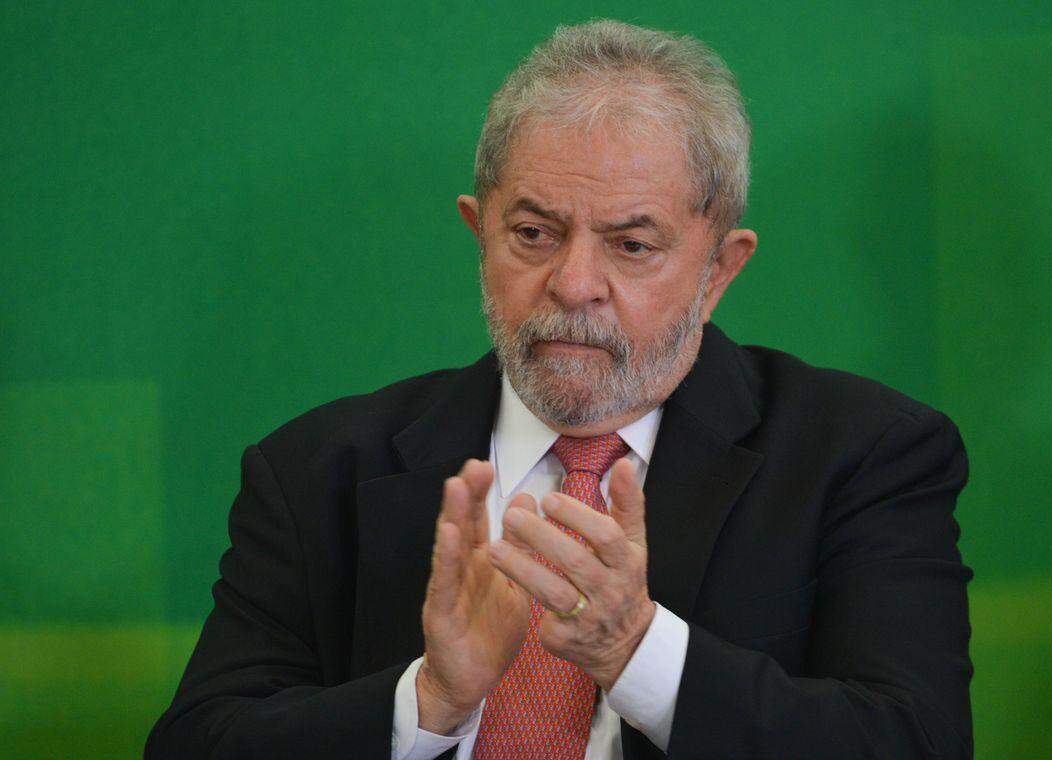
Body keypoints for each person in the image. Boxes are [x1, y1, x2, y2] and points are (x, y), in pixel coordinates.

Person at [146, 19, 973, 760]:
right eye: (534, 233)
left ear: (720, 270)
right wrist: (428, 703)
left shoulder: (864, 455)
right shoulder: (316, 472)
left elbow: (917, 741)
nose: (574, 284)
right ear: (480, 232)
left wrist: (637, 651)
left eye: (632, 245)